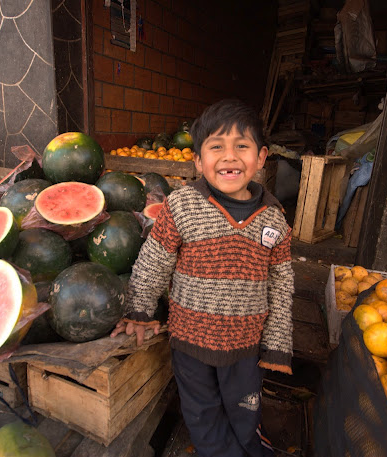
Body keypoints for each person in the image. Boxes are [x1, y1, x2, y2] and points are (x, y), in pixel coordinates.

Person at [111, 98, 294, 457]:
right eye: (216, 147)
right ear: (197, 160)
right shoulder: (181, 205)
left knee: (245, 410)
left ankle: (250, 447)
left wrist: (277, 343)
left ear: (261, 157)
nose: (229, 157)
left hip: (245, 344)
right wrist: (140, 310)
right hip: (189, 340)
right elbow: (154, 260)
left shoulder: (274, 219)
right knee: (201, 411)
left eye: (242, 146)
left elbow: (282, 284)